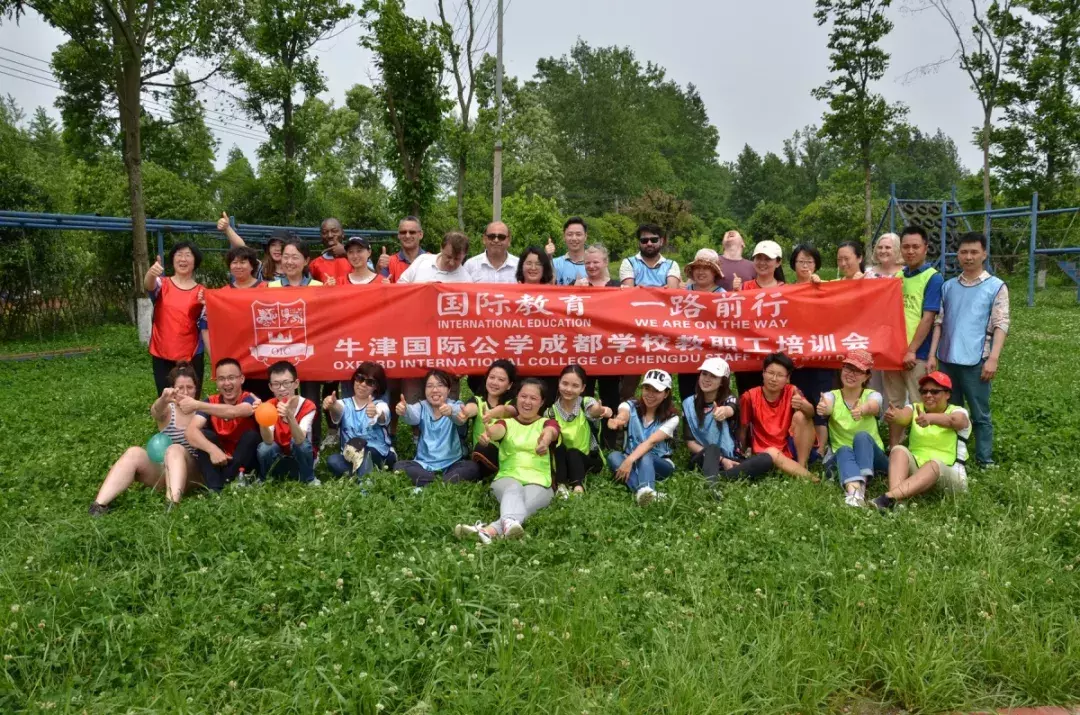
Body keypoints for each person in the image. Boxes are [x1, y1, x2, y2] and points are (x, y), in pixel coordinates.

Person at [928, 232, 1008, 467]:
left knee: (980, 413)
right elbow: (939, 323)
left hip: (977, 360)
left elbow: (1001, 323)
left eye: (974, 252)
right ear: (958, 255)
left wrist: (993, 358)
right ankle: (951, 455)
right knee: (949, 411)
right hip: (947, 359)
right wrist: (932, 354)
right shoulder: (949, 286)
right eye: (964, 252)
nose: (969, 257)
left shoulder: (996, 286)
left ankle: (984, 459)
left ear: (984, 254)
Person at [454, 379, 560, 543]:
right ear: (516, 398)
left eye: (533, 398)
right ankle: (508, 524)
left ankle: (487, 531)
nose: (527, 402)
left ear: (542, 402)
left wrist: (545, 441)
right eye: (523, 396)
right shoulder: (506, 422)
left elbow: (551, 432)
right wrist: (489, 433)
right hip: (507, 478)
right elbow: (498, 430)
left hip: (540, 482)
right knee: (513, 488)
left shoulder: (547, 422)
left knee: (525, 503)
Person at [89, 362, 202, 515]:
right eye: (180, 388)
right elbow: (156, 411)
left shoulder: (203, 408)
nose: (185, 392)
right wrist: (163, 399)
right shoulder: (168, 411)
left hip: (194, 472)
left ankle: (172, 505)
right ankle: (99, 505)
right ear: (172, 389)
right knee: (134, 452)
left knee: (175, 449)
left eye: (190, 387)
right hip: (165, 472)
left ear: (196, 388)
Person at [874, 371, 971, 510]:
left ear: (947, 394)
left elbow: (955, 421)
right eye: (924, 391)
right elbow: (903, 416)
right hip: (918, 474)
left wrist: (930, 418)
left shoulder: (958, 411)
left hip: (950, 474)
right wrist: (896, 415)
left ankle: (888, 497)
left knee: (934, 464)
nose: (928, 395)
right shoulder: (916, 408)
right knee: (898, 450)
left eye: (934, 392)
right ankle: (897, 502)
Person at [884, 225, 944, 448]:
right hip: (893, 354)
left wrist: (911, 350)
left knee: (921, 402)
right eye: (906, 247)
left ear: (925, 248)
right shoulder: (897, 277)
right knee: (895, 403)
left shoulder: (933, 278)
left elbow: (928, 318)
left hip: (916, 354)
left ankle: (922, 449)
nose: (910, 251)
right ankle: (895, 448)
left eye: (915, 247)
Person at [267, 238, 326, 449]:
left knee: (311, 399)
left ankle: (313, 447)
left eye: (295, 257)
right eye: (286, 257)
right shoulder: (270, 287)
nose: (289, 262)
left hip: (310, 353)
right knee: (280, 398)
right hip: (280, 352)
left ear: (306, 260)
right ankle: (278, 443)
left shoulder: (319, 287)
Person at [683, 357, 774, 483]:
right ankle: (716, 483)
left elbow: (731, 408)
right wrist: (721, 460)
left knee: (766, 459)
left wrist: (724, 411)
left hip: (732, 457)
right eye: (704, 374)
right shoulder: (688, 404)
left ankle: (720, 477)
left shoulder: (730, 399)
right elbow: (690, 443)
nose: (707, 379)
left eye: (713, 376)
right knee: (712, 449)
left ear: (722, 382)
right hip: (704, 457)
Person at [816, 350, 886, 507]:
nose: (851, 374)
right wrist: (824, 408)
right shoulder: (832, 395)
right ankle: (855, 494)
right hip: (841, 456)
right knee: (844, 449)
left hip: (873, 457)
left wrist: (862, 409)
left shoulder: (872, 395)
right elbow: (827, 405)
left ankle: (859, 487)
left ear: (867, 376)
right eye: (848, 368)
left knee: (862, 436)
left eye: (858, 371)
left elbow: (874, 406)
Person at [184, 358, 261, 491]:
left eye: (231, 378)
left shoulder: (251, 399)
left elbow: (234, 412)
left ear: (241, 379)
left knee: (251, 436)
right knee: (204, 435)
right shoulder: (210, 401)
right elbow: (190, 432)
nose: (226, 383)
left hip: (244, 459)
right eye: (221, 379)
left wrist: (197, 405)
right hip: (219, 459)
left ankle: (224, 481)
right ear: (216, 382)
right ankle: (215, 488)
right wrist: (212, 450)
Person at [606, 369, 680, 506]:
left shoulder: (672, 418)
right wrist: (619, 420)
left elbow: (651, 442)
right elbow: (623, 413)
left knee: (646, 454)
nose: (650, 394)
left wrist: (629, 460)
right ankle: (645, 494)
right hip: (631, 459)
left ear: (666, 394)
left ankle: (645, 490)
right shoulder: (630, 405)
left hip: (660, 464)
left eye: (656, 391)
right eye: (647, 388)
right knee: (613, 456)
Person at [738, 353, 817, 480]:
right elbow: (743, 427)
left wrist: (802, 404)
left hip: (791, 449)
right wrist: (740, 453)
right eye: (770, 373)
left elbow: (811, 413)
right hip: (765, 452)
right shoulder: (749, 396)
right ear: (763, 373)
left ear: (788, 378)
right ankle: (809, 477)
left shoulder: (792, 391)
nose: (774, 379)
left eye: (780, 375)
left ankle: (801, 466)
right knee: (772, 452)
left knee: (801, 416)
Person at [394, 369, 479, 487]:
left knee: (472, 467)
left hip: (453, 463)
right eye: (430, 386)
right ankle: (442, 482)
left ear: (448, 390)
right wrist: (404, 410)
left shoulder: (456, 405)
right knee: (399, 466)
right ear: (425, 390)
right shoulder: (422, 406)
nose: (435, 390)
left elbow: (459, 417)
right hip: (424, 464)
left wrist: (450, 412)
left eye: (440, 385)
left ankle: (429, 482)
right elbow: (412, 416)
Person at [145, 241, 208, 396]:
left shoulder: (202, 292)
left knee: (190, 399)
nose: (183, 259)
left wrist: (207, 305)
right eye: (179, 255)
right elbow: (149, 285)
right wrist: (151, 273)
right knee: (166, 398)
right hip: (161, 351)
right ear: (173, 259)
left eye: (188, 255)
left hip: (192, 354)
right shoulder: (162, 284)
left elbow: (208, 323)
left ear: (195, 261)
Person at [788, 243, 831, 449]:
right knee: (799, 401)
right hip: (796, 357)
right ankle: (801, 445)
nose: (805, 266)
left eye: (809, 261)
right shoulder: (785, 291)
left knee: (821, 402)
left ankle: (821, 450)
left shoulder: (827, 287)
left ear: (816, 264)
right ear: (793, 264)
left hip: (822, 355)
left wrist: (820, 287)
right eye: (801, 261)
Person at [323, 362, 396, 479]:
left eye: (370, 382)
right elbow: (338, 408)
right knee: (333, 461)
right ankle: (365, 473)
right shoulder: (344, 403)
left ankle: (364, 483)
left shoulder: (380, 405)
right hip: (350, 456)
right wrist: (332, 405)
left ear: (376, 387)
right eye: (360, 378)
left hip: (377, 453)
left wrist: (376, 412)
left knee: (367, 453)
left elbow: (383, 415)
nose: (362, 384)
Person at [548, 365, 611, 496]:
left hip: (589, 459)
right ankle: (561, 486)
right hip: (564, 461)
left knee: (573, 452)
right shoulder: (550, 412)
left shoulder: (585, 403)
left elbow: (594, 410)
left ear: (582, 388)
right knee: (559, 449)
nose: (569, 389)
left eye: (575, 386)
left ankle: (578, 487)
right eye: (565, 383)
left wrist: (600, 411)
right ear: (559, 383)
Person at [257, 361, 319, 486]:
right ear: (270, 387)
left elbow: (300, 439)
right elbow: (268, 441)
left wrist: (290, 416)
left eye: (286, 383)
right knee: (264, 448)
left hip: (301, 457)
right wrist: (261, 418)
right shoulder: (269, 405)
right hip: (279, 456)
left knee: (301, 445)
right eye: (276, 384)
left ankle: (309, 479)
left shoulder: (308, 406)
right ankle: (265, 479)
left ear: (296, 383)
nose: (282, 389)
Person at [677, 247, 726, 400]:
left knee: (711, 398)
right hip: (687, 354)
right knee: (687, 397)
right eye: (697, 267)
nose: (701, 272)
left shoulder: (723, 295)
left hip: (713, 354)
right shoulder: (681, 293)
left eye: (706, 268)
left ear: (715, 272)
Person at [459, 360, 518, 480]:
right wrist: (466, 412)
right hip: (480, 455)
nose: (495, 382)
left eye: (501, 380)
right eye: (492, 377)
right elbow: (472, 408)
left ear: (509, 385)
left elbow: (508, 410)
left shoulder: (513, 402)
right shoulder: (478, 400)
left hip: (506, 456)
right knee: (481, 450)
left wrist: (492, 413)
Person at [215, 212, 286, 283]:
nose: (277, 249)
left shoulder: (292, 271)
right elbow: (242, 247)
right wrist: (227, 228)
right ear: (268, 249)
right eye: (273, 245)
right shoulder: (261, 268)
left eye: (281, 245)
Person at [619, 223, 681, 288]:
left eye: (654, 240)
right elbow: (629, 292)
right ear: (638, 243)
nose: (649, 244)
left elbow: (671, 291)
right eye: (644, 240)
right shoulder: (628, 263)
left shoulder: (671, 265)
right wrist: (661, 290)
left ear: (661, 241)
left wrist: (639, 291)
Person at [398, 231, 471, 284]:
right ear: (441, 248)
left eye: (457, 259)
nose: (451, 263)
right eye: (448, 257)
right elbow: (401, 285)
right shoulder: (422, 260)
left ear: (464, 255)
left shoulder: (466, 280)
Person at [380, 216, 427, 283]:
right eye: (403, 232)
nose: (407, 236)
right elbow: (381, 286)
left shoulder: (431, 261)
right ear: (398, 235)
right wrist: (379, 269)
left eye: (412, 232)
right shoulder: (389, 263)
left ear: (421, 235)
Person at [546, 217, 588, 285]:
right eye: (570, 234)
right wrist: (548, 257)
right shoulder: (555, 264)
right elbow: (547, 285)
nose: (574, 238)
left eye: (578, 234)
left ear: (585, 236)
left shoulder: (594, 265)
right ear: (564, 237)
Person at [309, 217, 351, 285]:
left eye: (334, 231)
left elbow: (368, 276)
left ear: (343, 233)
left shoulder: (356, 259)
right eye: (325, 232)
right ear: (321, 236)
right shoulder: (315, 264)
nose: (330, 235)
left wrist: (346, 252)